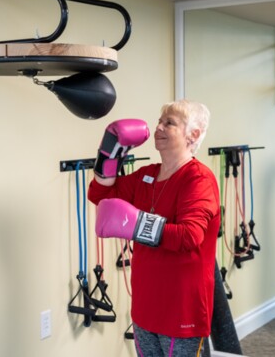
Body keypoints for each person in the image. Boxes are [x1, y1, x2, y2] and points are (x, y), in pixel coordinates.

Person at [88, 99, 220, 357]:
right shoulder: (145, 175)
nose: (158, 127)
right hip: (146, 304)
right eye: (159, 121)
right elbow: (100, 194)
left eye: (169, 123)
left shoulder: (198, 178)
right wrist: (109, 154)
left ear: (193, 134)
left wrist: (137, 224)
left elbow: (189, 236)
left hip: (181, 308)